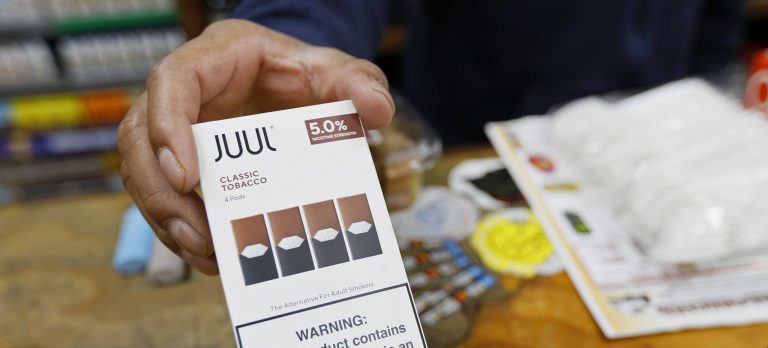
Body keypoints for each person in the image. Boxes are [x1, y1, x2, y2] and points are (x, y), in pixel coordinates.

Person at [117, 0, 746, 275]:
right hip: (467, 154)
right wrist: (282, 34)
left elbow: (718, 18)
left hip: (661, 153)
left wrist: (696, 105)